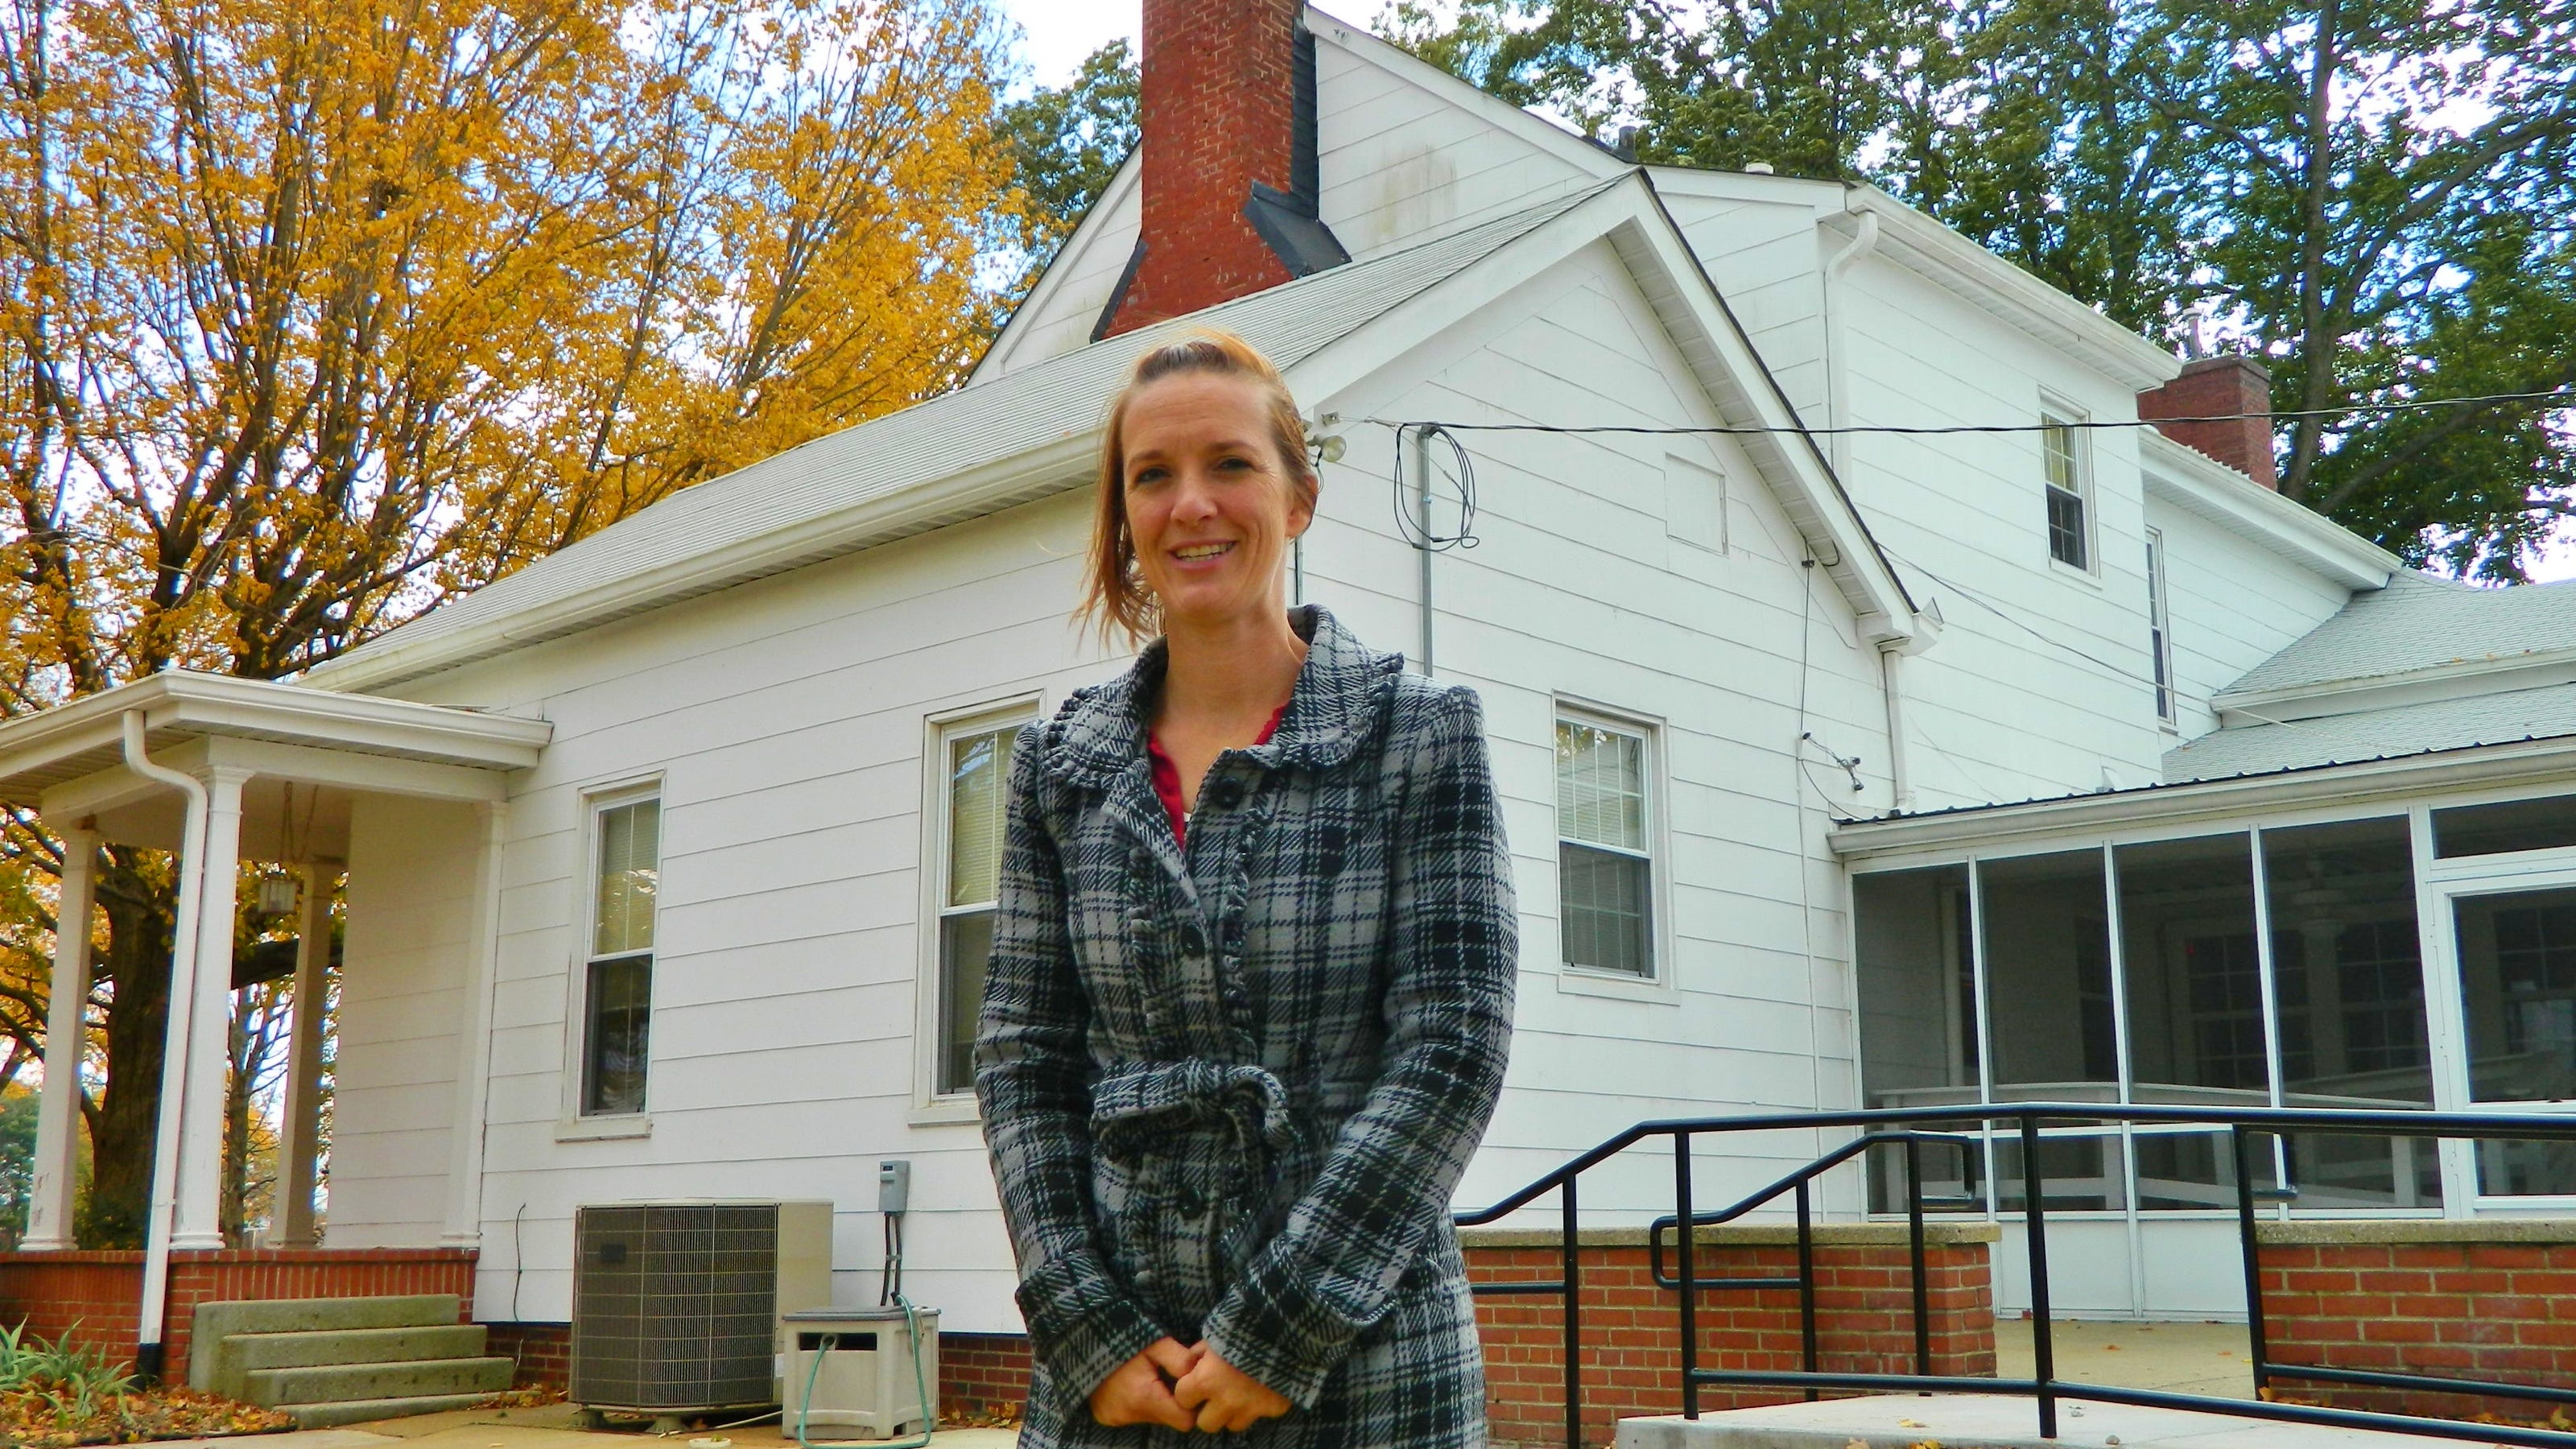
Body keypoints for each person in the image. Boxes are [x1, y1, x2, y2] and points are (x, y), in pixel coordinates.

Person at [974, 332, 1518, 1447]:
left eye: (1230, 464)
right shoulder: (1060, 769)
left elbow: (1453, 1047)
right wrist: (1087, 1328)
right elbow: (1022, 1060)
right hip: (1121, 1380)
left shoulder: (1415, 734)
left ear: (1299, 496)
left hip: (1366, 1366)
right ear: (1123, 517)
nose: (1193, 506)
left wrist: (1278, 1331)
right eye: (1153, 475)